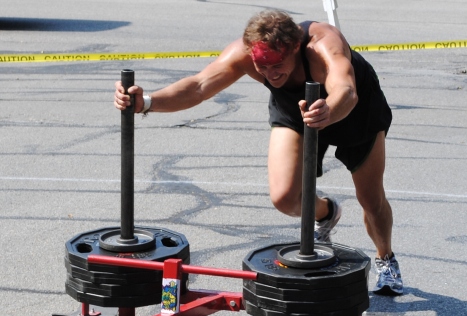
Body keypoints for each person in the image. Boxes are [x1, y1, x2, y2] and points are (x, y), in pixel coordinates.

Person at [114, 9, 403, 296]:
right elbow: (200, 86)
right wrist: (148, 102)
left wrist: (328, 110)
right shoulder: (245, 52)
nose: (270, 74)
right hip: (296, 111)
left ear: (295, 47)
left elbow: (346, 89)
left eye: (278, 65)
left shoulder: (321, 43)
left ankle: (385, 258)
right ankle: (326, 214)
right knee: (284, 198)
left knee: (370, 199)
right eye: (261, 67)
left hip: (353, 112)